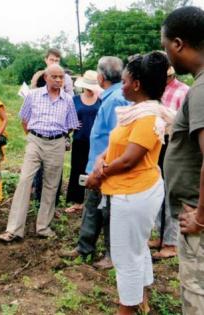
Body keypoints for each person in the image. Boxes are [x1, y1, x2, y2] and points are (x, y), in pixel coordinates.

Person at [87, 52, 174, 314]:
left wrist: (99, 174)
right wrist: (102, 159)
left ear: (136, 84)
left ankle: (128, 308)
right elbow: (117, 143)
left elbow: (128, 160)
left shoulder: (148, 118)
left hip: (134, 193)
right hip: (132, 190)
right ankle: (142, 295)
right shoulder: (135, 113)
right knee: (137, 249)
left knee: (125, 257)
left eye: (124, 81)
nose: (120, 85)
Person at [60, 56, 129, 270]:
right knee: (91, 208)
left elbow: (119, 138)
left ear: (101, 77)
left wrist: (104, 168)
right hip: (96, 165)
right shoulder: (111, 96)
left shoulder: (116, 99)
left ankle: (111, 254)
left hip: (106, 167)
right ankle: (84, 247)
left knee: (109, 212)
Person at [0, 64, 79, 242]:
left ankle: (43, 227)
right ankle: (13, 229)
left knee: (51, 184)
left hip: (57, 143)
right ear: (46, 78)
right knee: (25, 180)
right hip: (35, 140)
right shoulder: (33, 96)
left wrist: (60, 138)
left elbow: (72, 124)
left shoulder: (68, 100)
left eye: (61, 77)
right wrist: (34, 137)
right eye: (55, 77)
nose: (58, 80)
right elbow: (24, 120)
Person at [161, 6, 204, 313]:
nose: (168, 56)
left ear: (177, 44)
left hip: (197, 220)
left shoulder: (201, 89)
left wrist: (201, 215)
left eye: (166, 48)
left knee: (197, 295)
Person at [149, 65, 188, 260]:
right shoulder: (156, 90)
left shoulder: (183, 91)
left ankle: (171, 243)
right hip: (158, 143)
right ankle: (160, 235)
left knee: (170, 192)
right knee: (158, 190)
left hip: (173, 144)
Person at [30, 48, 74, 207]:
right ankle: (38, 197)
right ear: (45, 60)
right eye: (51, 60)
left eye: (57, 60)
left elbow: (70, 99)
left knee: (55, 166)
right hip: (39, 127)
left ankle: (53, 201)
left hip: (58, 128)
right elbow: (32, 97)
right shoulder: (38, 76)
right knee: (37, 165)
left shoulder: (66, 79)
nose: (54, 63)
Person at [65, 70, 102, 214]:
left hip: (97, 141)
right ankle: (77, 201)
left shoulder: (101, 100)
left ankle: (94, 199)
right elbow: (67, 118)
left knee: (94, 169)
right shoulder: (75, 100)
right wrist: (71, 125)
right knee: (78, 169)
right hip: (80, 139)